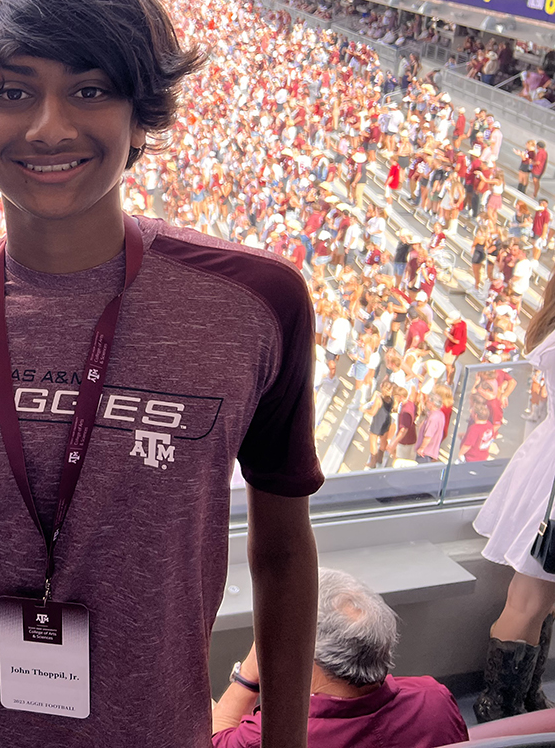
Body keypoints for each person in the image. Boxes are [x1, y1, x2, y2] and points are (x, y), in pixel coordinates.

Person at [0, 0, 321, 747]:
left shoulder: (256, 303)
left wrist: (285, 743)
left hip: (151, 727)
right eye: (12, 91)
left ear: (141, 110)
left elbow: (284, 550)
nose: (48, 126)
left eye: (89, 89)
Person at [212, 568, 467, 747]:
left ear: (306, 654)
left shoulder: (265, 737)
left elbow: (214, 739)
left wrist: (249, 673)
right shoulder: (435, 699)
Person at [472, 273, 555, 720]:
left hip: (547, 472)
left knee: (543, 601)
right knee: (528, 600)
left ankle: (522, 698)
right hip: (550, 485)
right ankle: (498, 703)